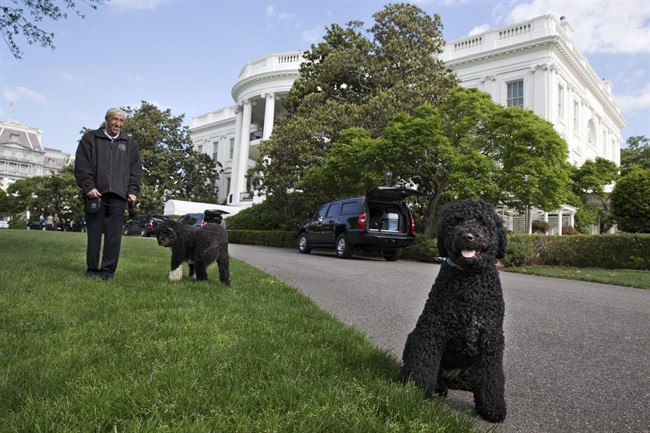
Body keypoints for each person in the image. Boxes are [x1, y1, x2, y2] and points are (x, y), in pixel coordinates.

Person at [74, 108, 142, 280]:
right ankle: (92, 269)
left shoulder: (129, 143)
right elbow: (82, 165)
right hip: (95, 195)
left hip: (119, 196)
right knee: (94, 234)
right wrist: (89, 187)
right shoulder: (91, 139)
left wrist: (133, 191)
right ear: (106, 119)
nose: (118, 124)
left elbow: (135, 170)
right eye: (115, 119)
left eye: (121, 121)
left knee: (114, 236)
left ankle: (107, 271)